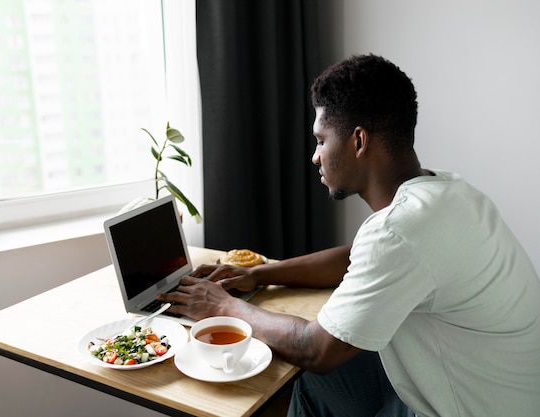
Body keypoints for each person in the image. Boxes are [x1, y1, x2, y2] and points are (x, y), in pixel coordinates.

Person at [157, 54, 540, 416]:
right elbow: (355, 258)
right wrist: (260, 274)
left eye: (321, 140)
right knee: (316, 387)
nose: (315, 156)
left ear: (358, 141)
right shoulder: (446, 193)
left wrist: (222, 307)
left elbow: (317, 348)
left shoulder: (400, 229)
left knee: (314, 369)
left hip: (475, 408)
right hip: (502, 387)